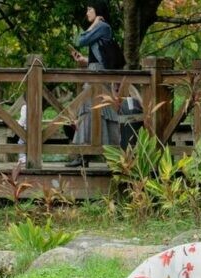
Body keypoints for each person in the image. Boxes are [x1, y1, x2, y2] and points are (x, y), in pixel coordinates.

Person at [67, 1, 120, 167]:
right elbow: (99, 55)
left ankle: (107, 155)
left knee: (98, 111)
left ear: (98, 11)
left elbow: (80, 40)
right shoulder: (101, 28)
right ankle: (87, 155)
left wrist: (95, 23)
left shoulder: (102, 26)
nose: (87, 12)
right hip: (95, 70)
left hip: (98, 75)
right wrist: (84, 60)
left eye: (90, 9)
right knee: (93, 112)